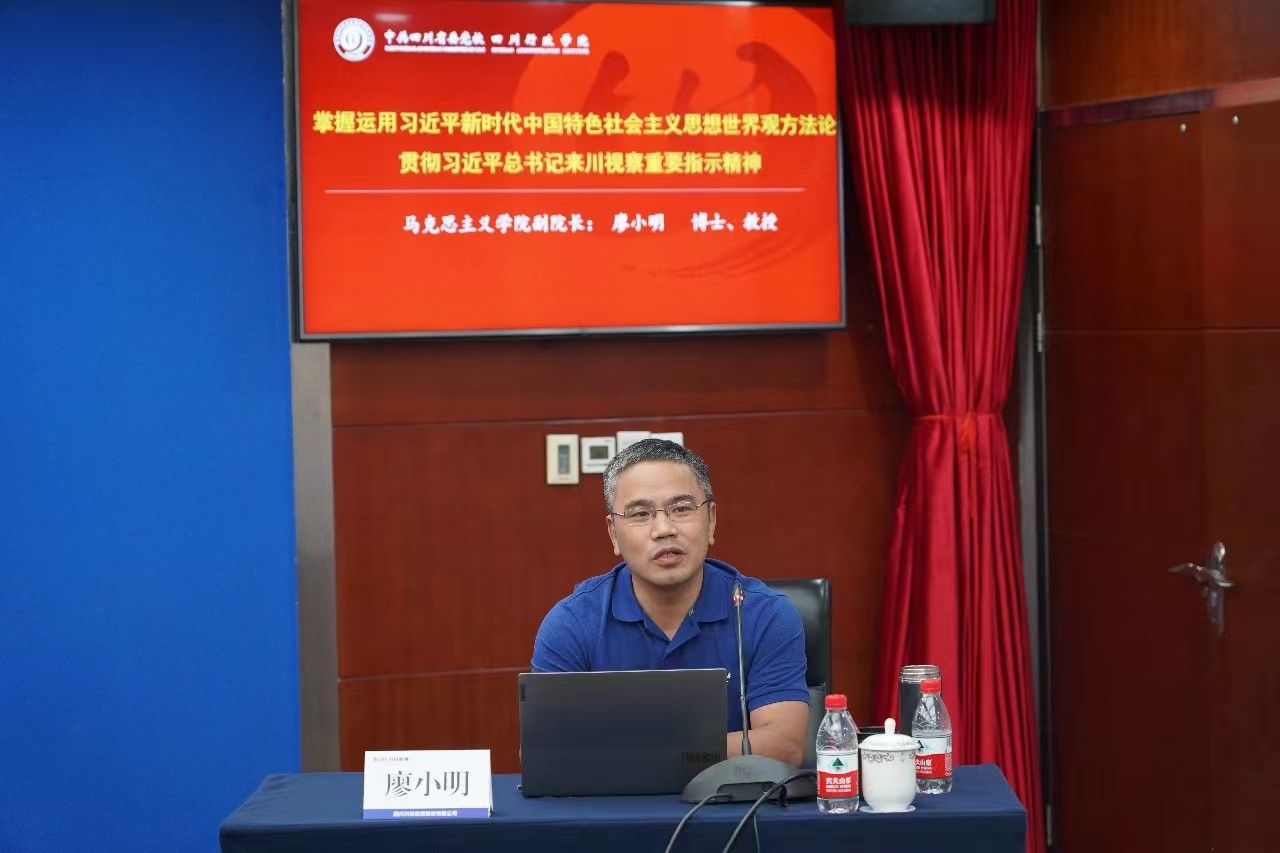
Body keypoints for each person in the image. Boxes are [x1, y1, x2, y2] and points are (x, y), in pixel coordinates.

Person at [531, 438, 810, 766]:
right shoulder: (572, 622)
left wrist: (639, 748)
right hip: (614, 801)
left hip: (728, 798)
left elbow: (784, 745)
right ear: (613, 534)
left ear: (711, 520)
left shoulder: (764, 614)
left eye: (681, 509)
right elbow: (543, 752)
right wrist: (680, 747)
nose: (664, 529)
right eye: (640, 514)